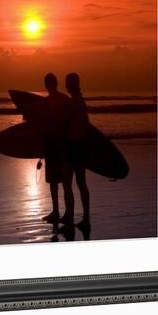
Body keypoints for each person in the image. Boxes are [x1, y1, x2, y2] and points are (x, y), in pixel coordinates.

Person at [40, 73, 72, 224]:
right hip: (53, 145)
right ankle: (58, 211)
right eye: (48, 83)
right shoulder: (48, 102)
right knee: (55, 182)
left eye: (50, 82)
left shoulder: (62, 100)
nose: (49, 85)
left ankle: (65, 213)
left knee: (63, 182)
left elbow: (70, 122)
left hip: (61, 145)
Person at [63, 72, 91, 232]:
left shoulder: (75, 102)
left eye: (67, 82)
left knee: (68, 184)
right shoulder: (80, 101)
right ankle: (84, 219)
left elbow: (67, 124)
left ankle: (71, 218)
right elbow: (86, 124)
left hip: (73, 146)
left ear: (71, 84)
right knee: (81, 184)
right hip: (80, 146)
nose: (66, 85)